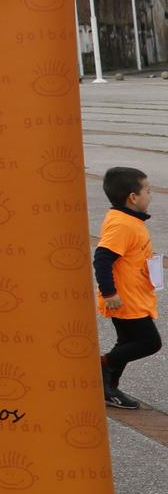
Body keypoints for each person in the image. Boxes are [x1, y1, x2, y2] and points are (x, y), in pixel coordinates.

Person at [96, 166, 158, 409]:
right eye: (148, 190)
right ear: (133, 197)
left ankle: (108, 386)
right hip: (124, 298)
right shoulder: (123, 225)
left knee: (126, 342)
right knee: (149, 342)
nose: (150, 195)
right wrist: (110, 292)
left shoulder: (129, 220)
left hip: (133, 296)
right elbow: (102, 258)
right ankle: (101, 367)